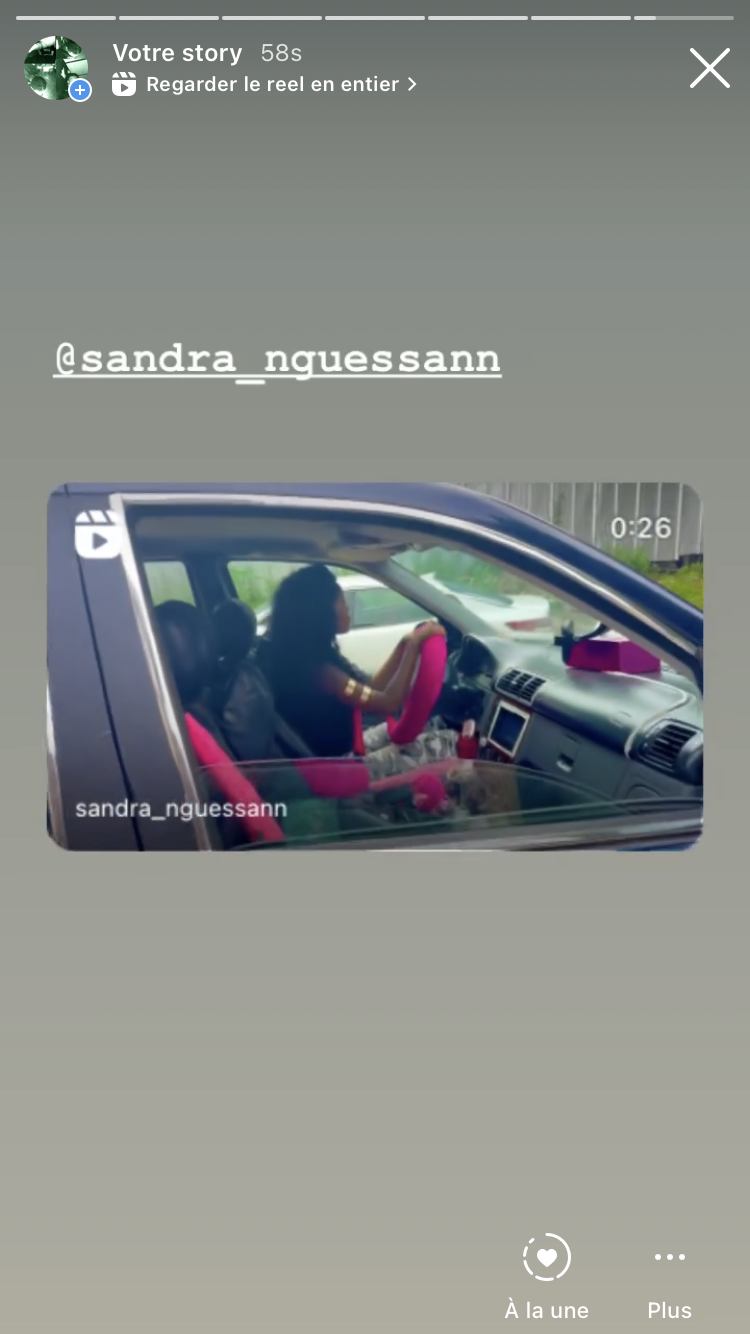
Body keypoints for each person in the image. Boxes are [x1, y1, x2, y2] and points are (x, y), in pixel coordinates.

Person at [267, 564, 457, 780]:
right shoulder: (323, 673)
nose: (347, 608)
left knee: (427, 728)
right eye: (341, 601)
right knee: (447, 743)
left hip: (339, 755)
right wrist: (414, 646)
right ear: (320, 612)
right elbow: (389, 704)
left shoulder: (310, 656)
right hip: (340, 771)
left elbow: (370, 689)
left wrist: (403, 646)